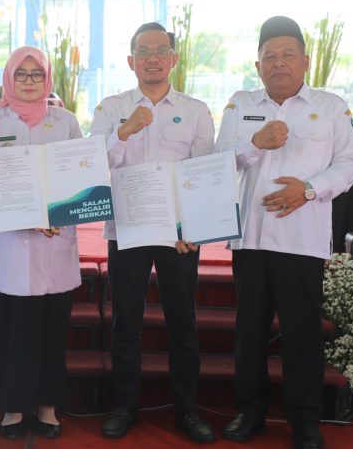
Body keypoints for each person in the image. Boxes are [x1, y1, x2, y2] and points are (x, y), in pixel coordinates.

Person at [215, 16, 353, 449]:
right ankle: (250, 412)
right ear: (258, 65)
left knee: (302, 333)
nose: (279, 64)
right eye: (269, 57)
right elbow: (219, 161)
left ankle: (304, 421)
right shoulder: (240, 103)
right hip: (251, 238)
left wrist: (310, 190)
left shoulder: (332, 106)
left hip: (303, 239)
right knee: (250, 331)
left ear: (305, 61)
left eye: (287, 56)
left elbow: (351, 164)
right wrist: (254, 143)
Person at [91, 22, 216, 443]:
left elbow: (201, 173)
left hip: (178, 232)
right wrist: (124, 131)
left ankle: (187, 410)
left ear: (173, 58)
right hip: (127, 227)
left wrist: (193, 225)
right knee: (126, 322)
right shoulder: (111, 108)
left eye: (160, 50)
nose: (152, 57)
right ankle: (124, 406)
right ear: (131, 61)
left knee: (184, 323)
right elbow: (93, 165)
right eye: (143, 51)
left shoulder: (196, 110)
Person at [0, 46, 82, 440]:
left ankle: (47, 406)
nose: (29, 82)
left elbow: (77, 178)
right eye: (21, 75)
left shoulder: (66, 122)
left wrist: (56, 213)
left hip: (53, 243)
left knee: (50, 330)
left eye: (36, 75)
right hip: (7, 252)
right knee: (7, 331)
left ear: (47, 79)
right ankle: (11, 407)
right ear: (8, 78)